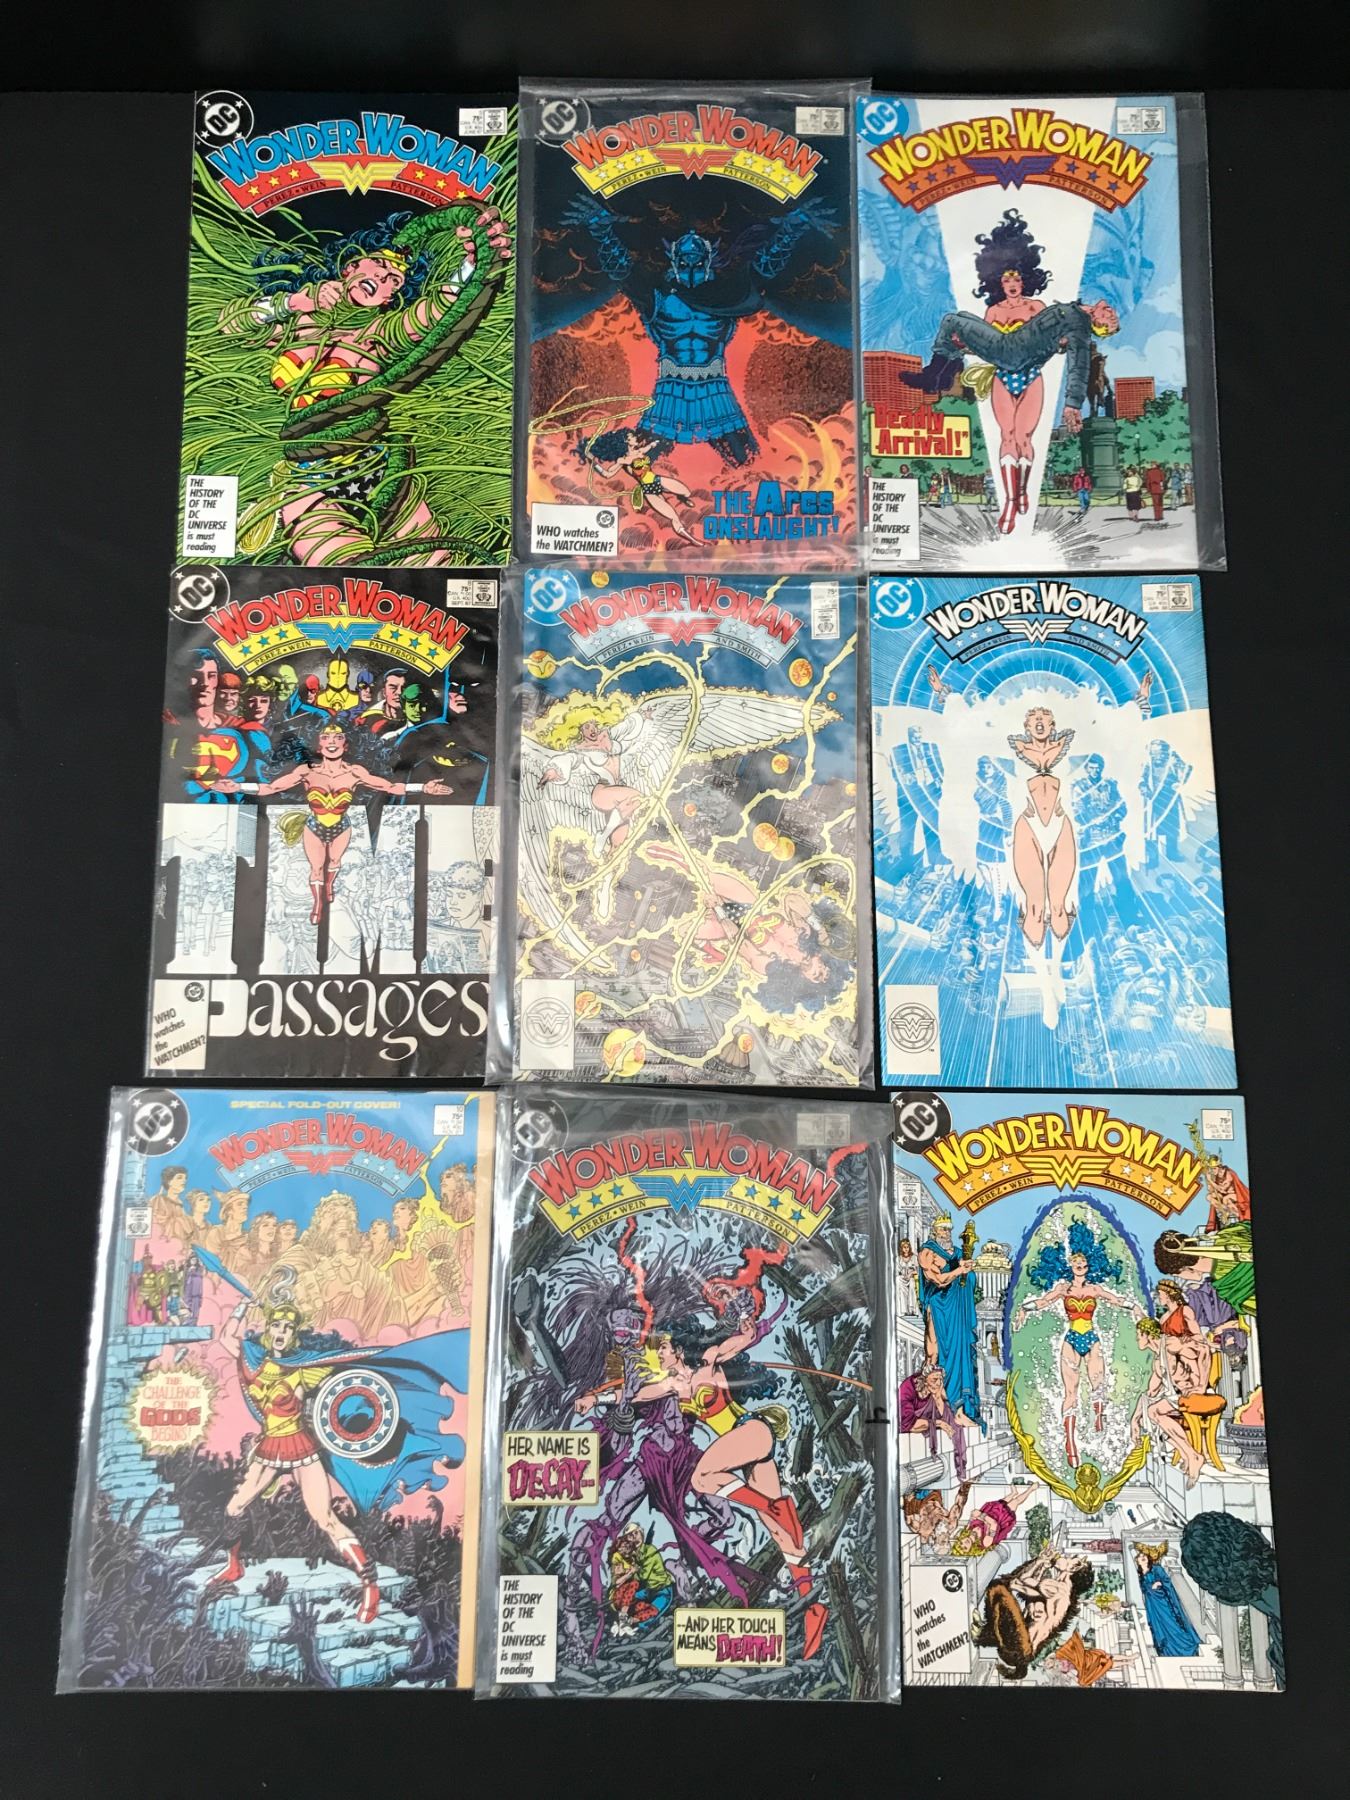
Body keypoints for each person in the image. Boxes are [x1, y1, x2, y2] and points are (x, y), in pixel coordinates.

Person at [218, 208, 513, 565]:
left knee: (435, 565)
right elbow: (231, 324)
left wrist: (475, 262)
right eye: (381, 265)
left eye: (395, 282)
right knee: (335, 567)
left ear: (388, 300)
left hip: (380, 470)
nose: (385, 278)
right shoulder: (293, 325)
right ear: (351, 266)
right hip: (310, 479)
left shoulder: (377, 336)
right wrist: (296, 301)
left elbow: (435, 312)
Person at [611, 1307, 828, 1659]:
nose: (659, 1354)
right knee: (780, 1532)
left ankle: (771, 1506)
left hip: (752, 1431)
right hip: (745, 1454)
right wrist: (601, 1395)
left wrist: (747, 1329)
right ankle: (813, 1605)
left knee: (703, 1477)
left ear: (678, 1348)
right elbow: (634, 1396)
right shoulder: (672, 1386)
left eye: (662, 1347)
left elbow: (742, 1341)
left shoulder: (709, 1361)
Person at [909, 209, 1121, 532]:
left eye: (1017, 279)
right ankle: (1009, 502)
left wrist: (1072, 403)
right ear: (997, 281)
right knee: (1007, 436)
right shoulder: (999, 310)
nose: (1011, 284)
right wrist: (965, 347)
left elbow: (1077, 362)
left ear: (1027, 280)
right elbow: (986, 348)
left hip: (1029, 371)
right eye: (1006, 279)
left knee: (1023, 438)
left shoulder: (1065, 320)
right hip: (1002, 368)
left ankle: (1021, 492)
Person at [214, 725, 448, 923]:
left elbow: (390, 787)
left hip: (341, 826)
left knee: (334, 862)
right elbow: (272, 787)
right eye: (326, 737)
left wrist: (424, 788)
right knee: (316, 868)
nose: (332, 741)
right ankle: (318, 903)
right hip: (314, 827)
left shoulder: (355, 772)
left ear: (346, 745)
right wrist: (237, 786)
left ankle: (328, 885)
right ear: (319, 746)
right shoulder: (306, 771)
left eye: (338, 737)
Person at [1020, 1219, 1141, 1467]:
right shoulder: (1063, 1289)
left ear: (1089, 1266)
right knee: (1071, 1393)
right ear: (1070, 1265)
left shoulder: (1095, 1289)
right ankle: (1070, 1442)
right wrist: (1024, 1308)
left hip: (1092, 1339)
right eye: (1077, 1265)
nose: (1081, 1268)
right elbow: (1043, 1301)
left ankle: (1098, 1414)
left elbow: (1116, 1299)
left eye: (1084, 1265)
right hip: (1071, 1340)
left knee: (1098, 1383)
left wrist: (1135, 1307)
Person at [1008, 707, 1076, 955]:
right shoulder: (1017, 747)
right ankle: (1033, 960)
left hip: (1060, 823)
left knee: (1058, 907)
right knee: (1035, 907)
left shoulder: (1064, 744)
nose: (1039, 722)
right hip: (1029, 824)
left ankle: (1063, 961)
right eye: (1034, 720)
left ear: (1052, 725)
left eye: (1043, 719)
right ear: (1027, 727)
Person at [972, 1544, 1094, 1681]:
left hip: (1020, 1647)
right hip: (1022, 1653)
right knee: (1001, 1593)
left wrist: (1040, 1562)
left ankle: (983, 1632)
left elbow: (1022, 1581)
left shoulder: (1059, 1588)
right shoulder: (1061, 1590)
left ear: (1073, 1568)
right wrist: (1040, 1563)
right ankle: (984, 1632)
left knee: (998, 1588)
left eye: (1071, 1558)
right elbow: (1024, 1583)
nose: (1065, 1556)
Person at [916, 1216, 980, 1428]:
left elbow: (968, 1281)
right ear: (934, 1230)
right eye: (942, 1229)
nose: (947, 1232)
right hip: (938, 1308)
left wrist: (968, 1271)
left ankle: (960, 1410)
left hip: (957, 1311)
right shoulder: (927, 1252)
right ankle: (933, 1408)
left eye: (949, 1229)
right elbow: (938, 1280)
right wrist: (960, 1271)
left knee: (961, 1355)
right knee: (934, 1354)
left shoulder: (958, 1253)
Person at [579, 427, 696, 542]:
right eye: (632, 436)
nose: (635, 437)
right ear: (626, 441)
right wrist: (593, 462)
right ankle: (694, 541)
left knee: (687, 492)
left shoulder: (640, 451)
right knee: (673, 517)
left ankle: (681, 497)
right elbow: (607, 474)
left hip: (657, 480)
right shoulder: (623, 460)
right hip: (649, 490)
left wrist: (662, 437)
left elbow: (652, 445)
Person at [899, 1364, 967, 1479]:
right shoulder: (907, 1389)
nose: (939, 1383)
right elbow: (910, 1425)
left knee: (956, 1426)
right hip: (905, 1429)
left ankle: (961, 1467)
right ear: (924, 1380)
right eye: (934, 1380)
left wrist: (938, 1397)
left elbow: (943, 1415)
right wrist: (938, 1423)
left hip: (924, 1419)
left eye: (940, 1380)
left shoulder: (935, 1389)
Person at [1133, 1542, 1202, 1656]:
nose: (1142, 1557)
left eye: (1144, 1555)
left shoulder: (1157, 1568)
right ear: (1138, 1562)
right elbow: (1144, 1589)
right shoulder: (1141, 1576)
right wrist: (1150, 1588)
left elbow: (1166, 1581)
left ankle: (1185, 1647)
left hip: (1163, 1602)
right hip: (1153, 1606)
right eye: (1140, 1557)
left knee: (1171, 1623)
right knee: (1160, 1626)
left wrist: (1158, 1584)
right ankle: (1168, 1651)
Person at [607, 1525, 674, 1637]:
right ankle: (623, 1620)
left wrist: (632, 1572)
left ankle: (629, 1623)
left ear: (641, 1533)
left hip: (662, 1590)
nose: (634, 1537)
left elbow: (643, 1576)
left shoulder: (650, 1551)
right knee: (629, 1600)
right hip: (647, 1591)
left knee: (649, 1616)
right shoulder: (631, 1555)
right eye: (630, 1535)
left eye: (636, 1533)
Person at [948, 1480, 1038, 1557]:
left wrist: (975, 1515)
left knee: (1001, 1502)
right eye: (965, 1548)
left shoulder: (967, 1530)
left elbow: (972, 1518)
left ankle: (1013, 1493)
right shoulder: (984, 1543)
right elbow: (994, 1524)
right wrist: (981, 1516)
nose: (965, 1543)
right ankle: (1031, 1489)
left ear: (960, 1539)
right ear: (970, 1550)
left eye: (961, 1543)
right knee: (1015, 1501)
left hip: (990, 1513)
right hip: (1002, 1520)